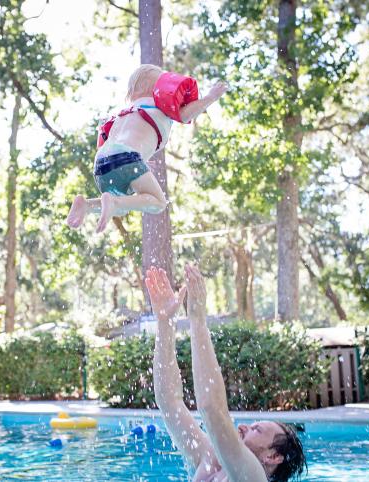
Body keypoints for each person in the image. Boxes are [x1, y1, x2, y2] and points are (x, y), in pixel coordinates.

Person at [144, 265, 306, 482]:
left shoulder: (254, 477)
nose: (244, 427)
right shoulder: (211, 459)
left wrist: (198, 320)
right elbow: (169, 402)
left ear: (273, 456)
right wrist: (165, 323)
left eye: (256, 430)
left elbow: (212, 409)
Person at [67, 64, 227, 233]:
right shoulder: (158, 102)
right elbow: (186, 114)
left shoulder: (123, 114)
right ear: (158, 88)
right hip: (127, 157)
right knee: (158, 202)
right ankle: (109, 203)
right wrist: (211, 97)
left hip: (101, 164)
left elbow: (125, 140)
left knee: (121, 206)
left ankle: (86, 205)